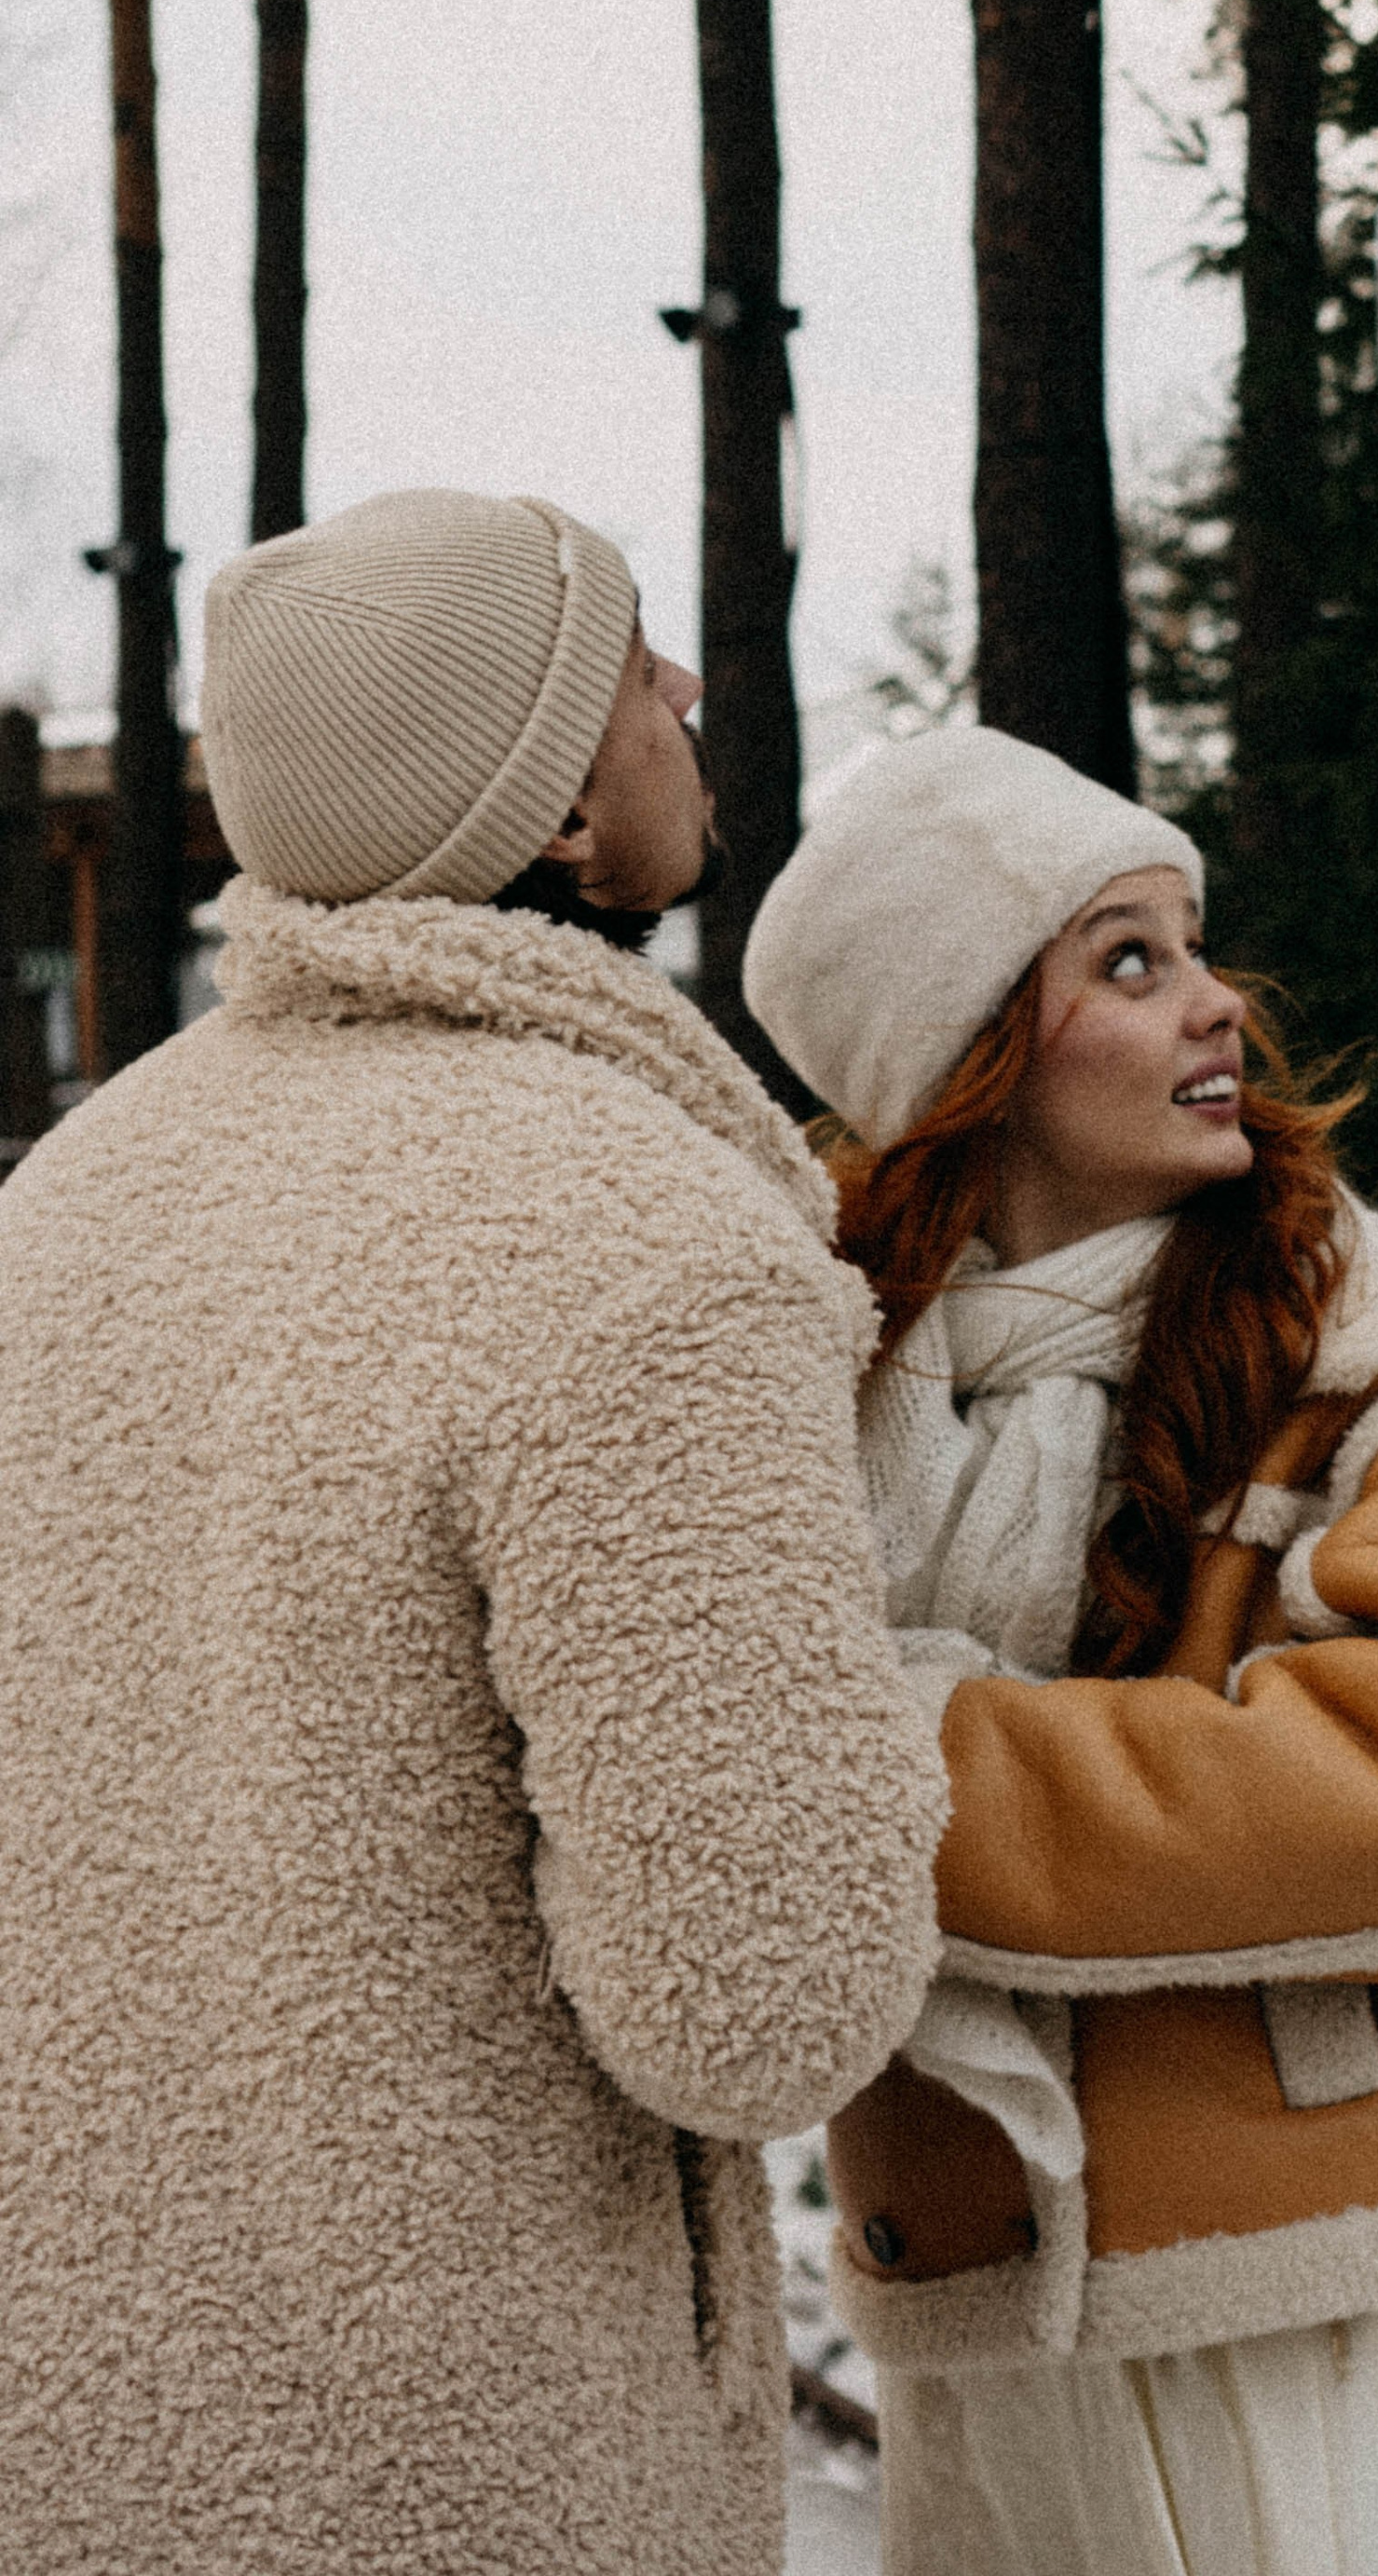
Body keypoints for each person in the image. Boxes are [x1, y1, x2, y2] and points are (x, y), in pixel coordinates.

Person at [0, 488, 947, 2576]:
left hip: (62, 2425)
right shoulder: (642, 1246)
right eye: (631, 665)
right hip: (451, 2457)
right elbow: (761, 2001)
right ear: (557, 818)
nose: (686, 686)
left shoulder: (64, 1205)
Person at [743, 723, 1378, 2576]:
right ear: (965, 1057)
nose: (1217, 1004)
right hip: (986, 2303)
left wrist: (892, 1756)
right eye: (1125, 962)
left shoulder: (1374, 1349)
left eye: (1191, 946)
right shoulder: (819, 1396)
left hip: (1305, 2319)